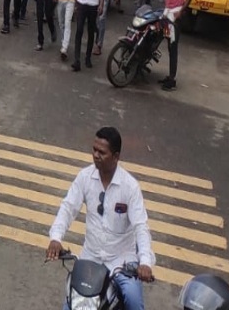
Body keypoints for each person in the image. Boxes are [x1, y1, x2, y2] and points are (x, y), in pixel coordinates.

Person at [46, 127, 156, 310]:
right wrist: (56, 238)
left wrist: (144, 263)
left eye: (102, 152)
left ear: (116, 156)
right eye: (94, 150)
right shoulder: (84, 177)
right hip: (91, 258)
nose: (96, 155)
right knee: (69, 304)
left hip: (121, 262)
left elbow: (141, 227)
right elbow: (68, 208)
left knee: (133, 299)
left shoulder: (130, 187)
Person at [153, 0, 190, 91]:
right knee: (156, 39)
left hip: (174, 18)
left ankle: (172, 79)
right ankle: (169, 76)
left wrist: (181, 11)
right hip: (165, 15)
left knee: (172, 47)